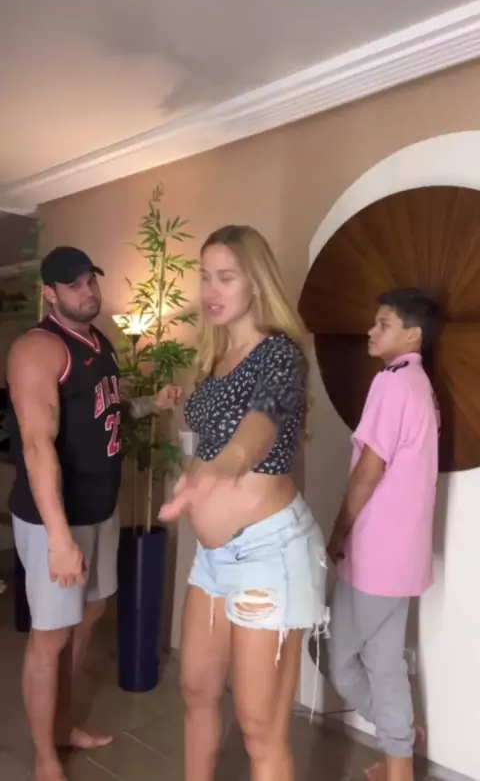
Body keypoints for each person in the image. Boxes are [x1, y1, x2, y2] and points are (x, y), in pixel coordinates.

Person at [158, 224, 329, 781]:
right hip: (213, 560)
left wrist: (224, 466)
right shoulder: (213, 357)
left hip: (269, 556)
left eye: (226, 277)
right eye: (205, 276)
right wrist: (196, 470)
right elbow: (206, 439)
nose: (211, 290)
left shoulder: (279, 354)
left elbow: (261, 423)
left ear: (256, 281)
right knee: (196, 691)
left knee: (259, 726)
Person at [7, 246, 179, 781]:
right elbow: (37, 446)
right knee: (50, 637)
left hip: (100, 511)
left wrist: (151, 404)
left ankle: (62, 725)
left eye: (90, 281)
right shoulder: (37, 350)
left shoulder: (99, 342)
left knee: (88, 616)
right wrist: (59, 540)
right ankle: (44, 757)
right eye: (74, 284)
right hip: (54, 520)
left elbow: (108, 408)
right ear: (49, 293)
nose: (87, 292)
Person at [326, 288, 442, 781]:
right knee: (373, 660)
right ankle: (399, 751)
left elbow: (369, 469)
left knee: (354, 661)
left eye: (384, 324)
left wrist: (338, 530)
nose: (371, 332)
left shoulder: (392, 384)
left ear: (412, 335)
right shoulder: (419, 384)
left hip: (377, 552)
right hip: (398, 553)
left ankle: (399, 756)